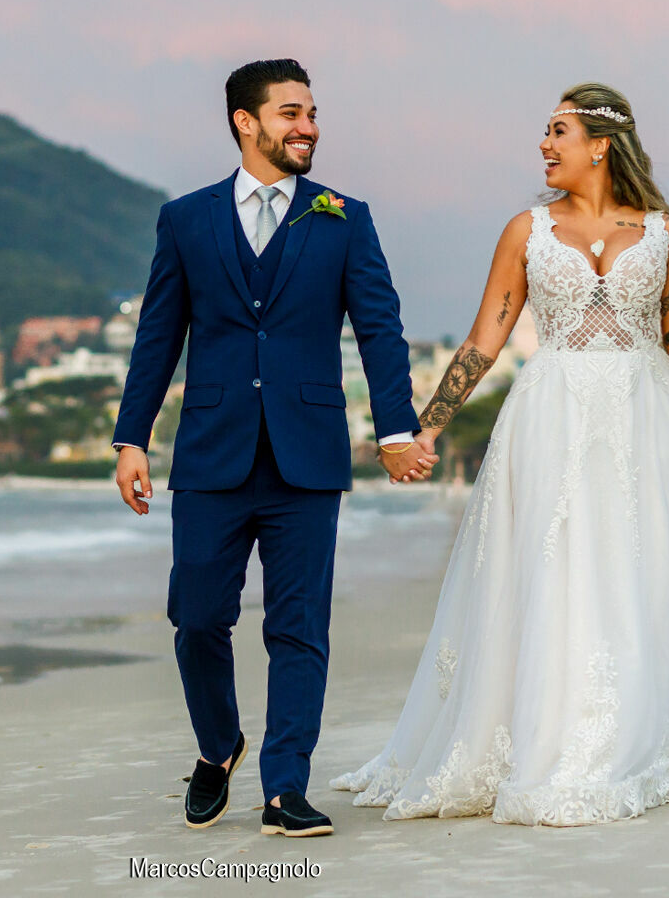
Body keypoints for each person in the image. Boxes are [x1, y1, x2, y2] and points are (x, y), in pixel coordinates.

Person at [331, 82, 669, 826]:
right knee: (550, 566)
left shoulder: (664, 232)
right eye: (544, 131)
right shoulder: (525, 230)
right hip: (548, 413)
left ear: (599, 144)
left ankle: (632, 731)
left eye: (556, 131)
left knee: (635, 565)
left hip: (644, 412)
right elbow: (484, 340)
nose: (542, 144)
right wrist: (423, 427)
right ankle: (543, 730)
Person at [112, 59, 436, 838]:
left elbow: (380, 328)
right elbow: (160, 335)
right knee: (196, 616)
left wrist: (394, 430)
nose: (308, 127)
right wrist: (132, 437)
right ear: (244, 122)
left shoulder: (343, 217)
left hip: (307, 454)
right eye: (291, 112)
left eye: (313, 113)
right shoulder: (186, 220)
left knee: (297, 627)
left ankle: (285, 786)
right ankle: (218, 746)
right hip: (211, 453)